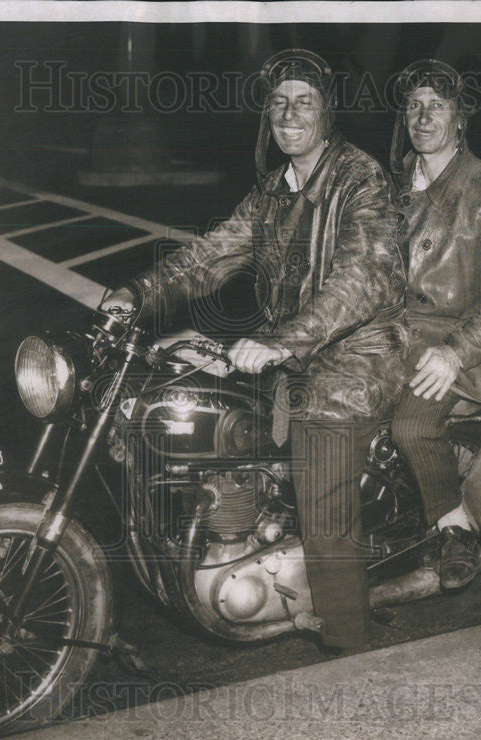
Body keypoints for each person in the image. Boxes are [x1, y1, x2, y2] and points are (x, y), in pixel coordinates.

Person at [101, 49, 408, 650]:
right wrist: (136, 292)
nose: (289, 114)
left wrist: (278, 340)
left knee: (320, 479)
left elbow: (359, 282)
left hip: (357, 357)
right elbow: (212, 254)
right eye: (278, 103)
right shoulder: (273, 190)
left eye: (305, 102)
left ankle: (352, 646)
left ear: (327, 113)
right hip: (292, 352)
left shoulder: (359, 179)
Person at [387, 59, 481, 589]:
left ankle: (454, 531)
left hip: (463, 344)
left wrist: (454, 351)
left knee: (410, 424)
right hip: (395, 335)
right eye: (414, 106)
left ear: (460, 119)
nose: (423, 117)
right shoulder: (392, 184)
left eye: (438, 106)